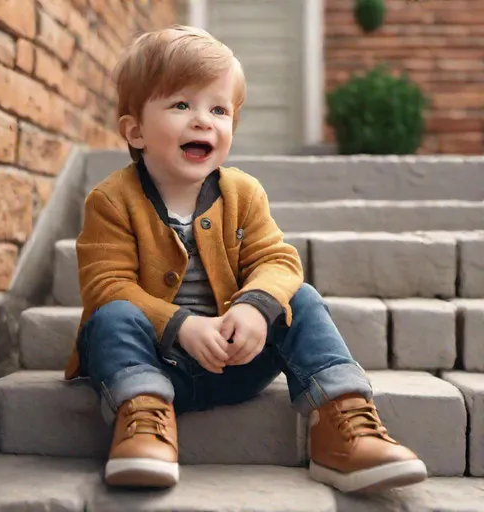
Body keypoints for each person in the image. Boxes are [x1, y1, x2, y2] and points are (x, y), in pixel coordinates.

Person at [64, 25, 428, 493]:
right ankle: (142, 424)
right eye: (181, 105)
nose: (203, 121)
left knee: (300, 297)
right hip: (149, 361)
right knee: (111, 316)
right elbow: (106, 285)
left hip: (235, 359)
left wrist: (254, 307)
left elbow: (278, 260)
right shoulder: (111, 200)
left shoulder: (243, 193)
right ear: (135, 130)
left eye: (218, 109)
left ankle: (341, 423)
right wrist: (181, 326)